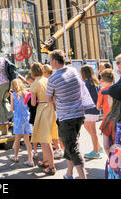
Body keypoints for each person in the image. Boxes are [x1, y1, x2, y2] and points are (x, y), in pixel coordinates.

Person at [46, 50, 87, 179]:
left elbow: (48, 100)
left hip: (66, 117)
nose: (49, 62)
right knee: (71, 144)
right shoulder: (73, 71)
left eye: (50, 59)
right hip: (79, 114)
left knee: (72, 148)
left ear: (55, 61)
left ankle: (82, 177)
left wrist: (56, 100)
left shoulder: (52, 78)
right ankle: (69, 173)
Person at [29, 62, 56, 174]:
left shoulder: (35, 84)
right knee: (45, 137)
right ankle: (46, 161)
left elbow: (33, 103)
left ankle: (52, 167)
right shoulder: (48, 80)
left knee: (45, 140)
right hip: (50, 108)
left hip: (42, 109)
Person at [8, 78, 34, 167]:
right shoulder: (26, 93)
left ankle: (15, 156)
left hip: (18, 119)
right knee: (27, 140)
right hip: (27, 118)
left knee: (17, 139)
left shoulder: (13, 95)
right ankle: (30, 159)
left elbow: (12, 109)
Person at [80, 65, 102, 159]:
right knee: (87, 126)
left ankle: (96, 151)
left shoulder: (87, 83)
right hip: (94, 108)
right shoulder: (95, 82)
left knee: (93, 131)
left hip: (89, 108)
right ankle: (98, 146)